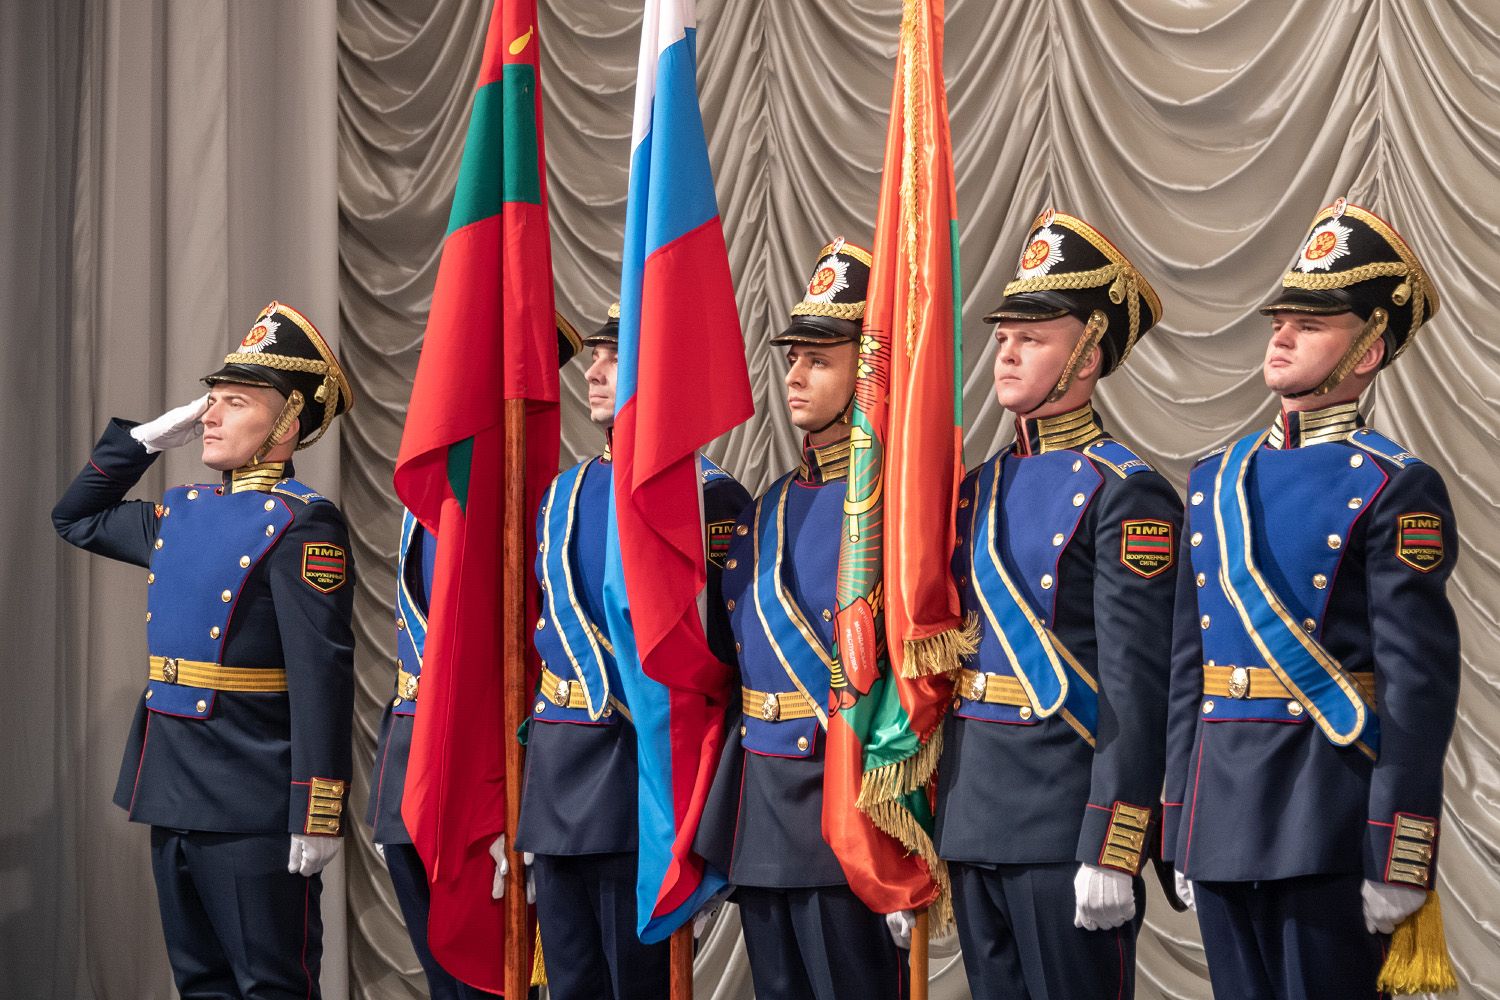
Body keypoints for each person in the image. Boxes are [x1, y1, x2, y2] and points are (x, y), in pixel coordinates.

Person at [1161, 198, 1458, 1000]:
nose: (1282, 337)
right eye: (1280, 321)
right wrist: (1181, 818)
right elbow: (1189, 673)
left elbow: (1417, 689)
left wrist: (1399, 849)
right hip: (1221, 818)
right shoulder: (1214, 482)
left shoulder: (1396, 487)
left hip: (1325, 817)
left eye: (1312, 324)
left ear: (1369, 349)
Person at [53, 301, 356, 1000]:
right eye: (210, 399)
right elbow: (75, 517)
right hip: (172, 783)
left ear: (288, 423)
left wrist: (317, 809)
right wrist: (143, 442)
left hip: (253, 797)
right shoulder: (182, 510)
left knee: (271, 985)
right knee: (200, 984)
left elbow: (322, 675)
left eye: (235, 402)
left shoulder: (303, 524)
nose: (209, 417)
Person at [933, 210, 1181, 999]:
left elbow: (1138, 686)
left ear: (1086, 353)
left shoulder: (1127, 493)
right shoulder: (974, 488)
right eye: (1004, 336)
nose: (1006, 352)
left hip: (1063, 824)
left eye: (1032, 338)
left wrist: (1114, 842)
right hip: (973, 813)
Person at [514, 303, 750, 1000]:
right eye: (594, 356)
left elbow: (721, 666)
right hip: (557, 780)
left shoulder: (708, 499)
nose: (593, 371)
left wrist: (698, 830)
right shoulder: (562, 495)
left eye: (614, 358)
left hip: (640, 786)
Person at [702, 239, 909, 1000]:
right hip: (764, 813)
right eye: (793, 358)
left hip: (848, 813)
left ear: (867, 371)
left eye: (819, 360)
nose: (793, 376)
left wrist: (904, 834)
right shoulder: (761, 513)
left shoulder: (897, 515)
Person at [366, 315, 580, 1000]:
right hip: (416, 765)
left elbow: (544, 664)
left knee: (492, 982)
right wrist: (397, 790)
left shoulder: (540, 505)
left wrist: (515, 801)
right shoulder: (430, 495)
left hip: (492, 782)